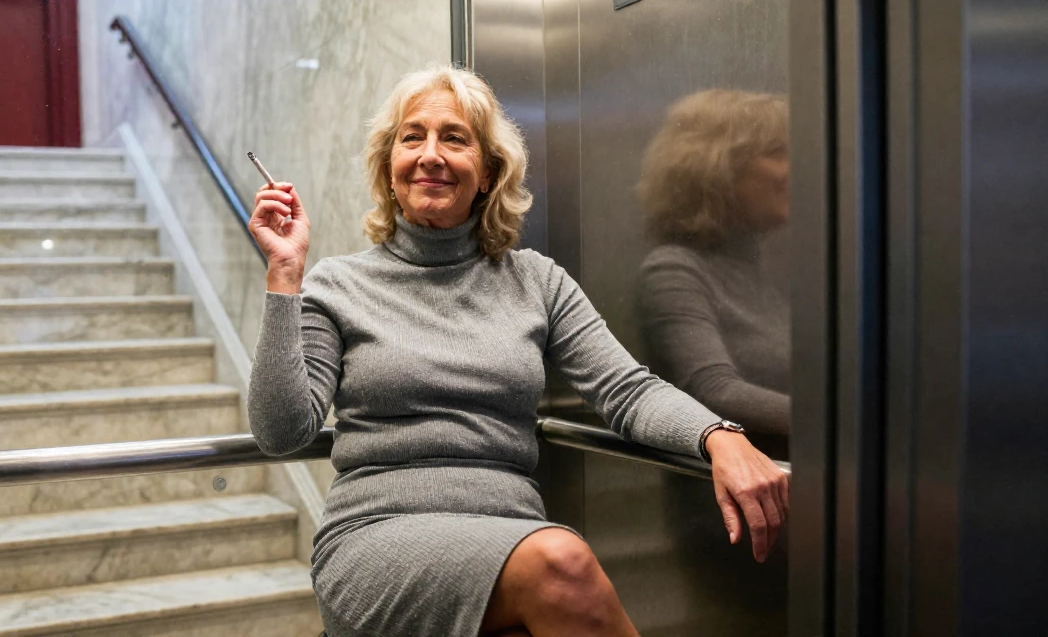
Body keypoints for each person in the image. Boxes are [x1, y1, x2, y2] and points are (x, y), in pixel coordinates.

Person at [246, 66, 788, 637]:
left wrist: (718, 435)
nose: (430, 154)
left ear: (487, 174)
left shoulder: (536, 281)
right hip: (379, 537)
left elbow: (627, 391)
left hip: (510, 537)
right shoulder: (338, 284)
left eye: (455, 138)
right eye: (412, 137)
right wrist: (285, 275)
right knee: (563, 563)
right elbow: (282, 431)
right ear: (389, 169)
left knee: (551, 570)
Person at [638, 89, 791, 450]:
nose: (792, 170)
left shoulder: (765, 267)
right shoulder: (674, 270)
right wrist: (843, 424)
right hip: (731, 498)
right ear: (717, 167)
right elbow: (714, 392)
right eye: (777, 153)